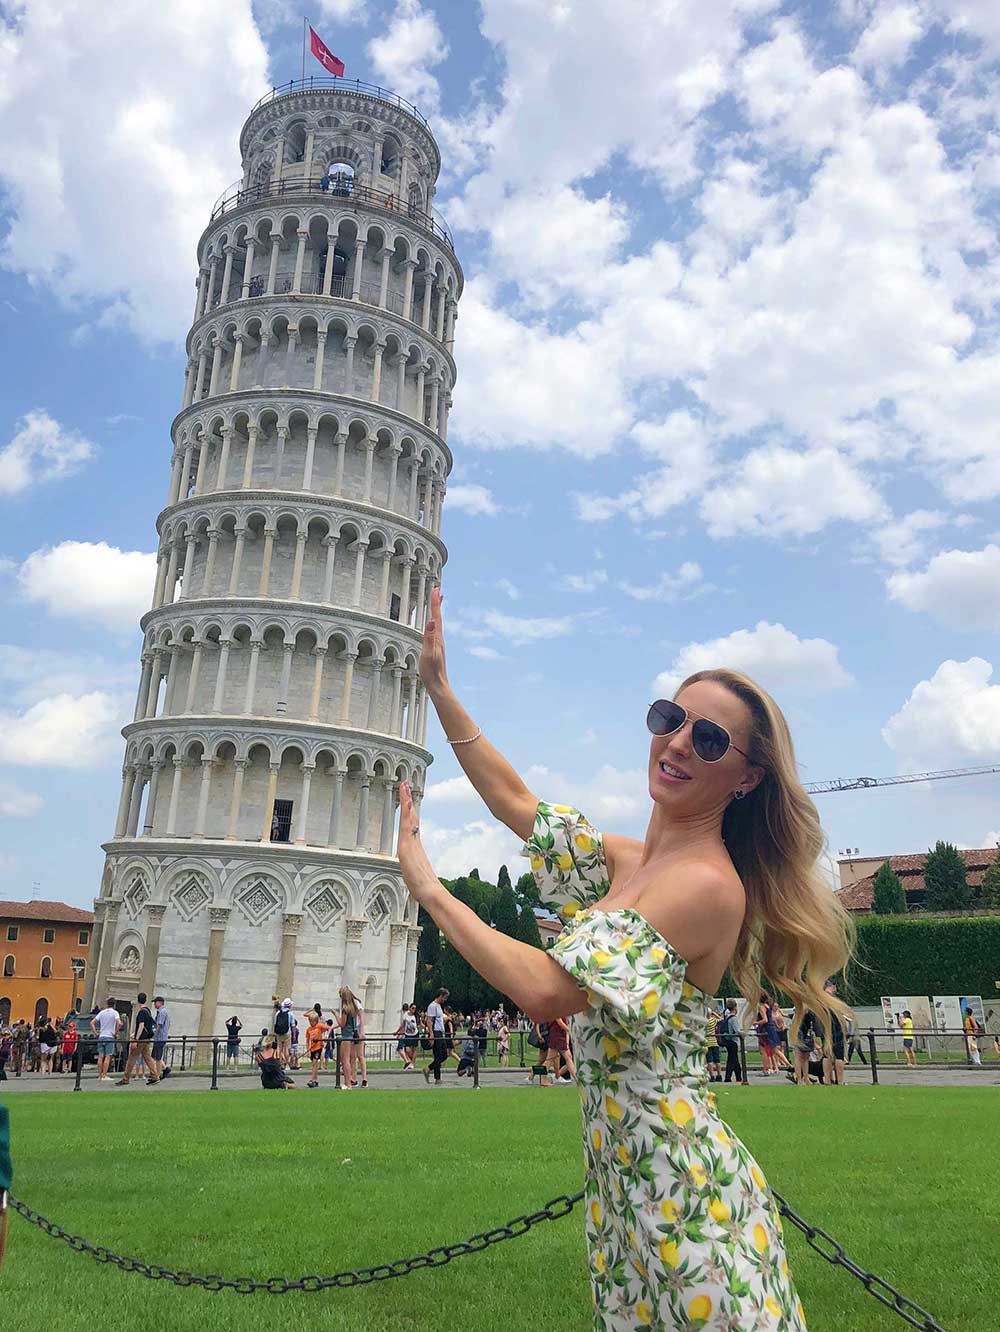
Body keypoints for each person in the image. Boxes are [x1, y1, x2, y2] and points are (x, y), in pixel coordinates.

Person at [396, 591, 854, 1329]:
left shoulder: (704, 886)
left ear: (746, 778)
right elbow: (516, 799)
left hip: (685, 1192)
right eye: (670, 720)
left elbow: (548, 990)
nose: (676, 743)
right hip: (625, 1190)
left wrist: (430, 891)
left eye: (708, 740)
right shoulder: (626, 862)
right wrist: (441, 689)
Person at [116, 993, 159, 1086]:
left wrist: (135, 1039)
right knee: (147, 1057)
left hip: (141, 1039)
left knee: (132, 1057)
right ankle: (155, 1076)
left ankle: (125, 1078)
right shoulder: (147, 1010)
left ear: (138, 1000)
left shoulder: (141, 1012)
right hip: (147, 1038)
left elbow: (141, 1025)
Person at [91, 999, 122, 1082]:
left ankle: (99, 1075)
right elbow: (119, 1023)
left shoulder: (102, 1012)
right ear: (114, 1004)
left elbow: (92, 1022)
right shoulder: (115, 1013)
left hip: (101, 1035)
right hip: (110, 1036)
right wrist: (115, 1032)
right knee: (108, 1056)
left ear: (107, 1004)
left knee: (101, 1056)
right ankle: (104, 1075)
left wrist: (96, 1033)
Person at [821, 981, 846, 1085]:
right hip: (836, 1028)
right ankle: (840, 1081)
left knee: (827, 1055)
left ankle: (827, 1079)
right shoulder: (833, 1000)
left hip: (825, 1028)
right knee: (839, 1056)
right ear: (832, 986)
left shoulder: (821, 998)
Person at [423, 987, 449, 1085]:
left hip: (440, 1032)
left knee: (443, 1055)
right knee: (438, 1055)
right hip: (436, 1032)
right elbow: (429, 1020)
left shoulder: (438, 1006)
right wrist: (431, 1033)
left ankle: (428, 1068)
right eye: (444, 997)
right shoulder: (432, 1006)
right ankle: (437, 1078)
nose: (445, 1000)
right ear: (440, 996)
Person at [338, 987, 362, 1089]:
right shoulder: (354, 1008)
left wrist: (335, 1015)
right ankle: (350, 1081)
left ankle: (348, 1083)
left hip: (346, 1036)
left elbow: (342, 1024)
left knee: (345, 1060)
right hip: (353, 1035)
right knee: (351, 1059)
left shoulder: (345, 1009)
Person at [718, 1000, 742, 1083]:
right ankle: (729, 1077)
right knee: (732, 1060)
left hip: (727, 1040)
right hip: (733, 1041)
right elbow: (737, 1030)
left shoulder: (727, 1017)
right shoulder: (734, 1018)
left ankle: (738, 1076)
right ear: (735, 1007)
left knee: (733, 1059)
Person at [306, 1007, 326, 1087]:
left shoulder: (319, 1026)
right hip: (312, 1048)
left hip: (318, 1047)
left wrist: (327, 1035)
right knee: (314, 1064)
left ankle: (313, 1079)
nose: (311, 1023)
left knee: (314, 1063)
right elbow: (307, 1040)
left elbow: (328, 1027)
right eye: (310, 1021)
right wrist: (308, 1050)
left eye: (313, 1021)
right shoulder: (309, 1029)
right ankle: (315, 1079)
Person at [152, 996, 171, 1081]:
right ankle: (165, 1068)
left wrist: (154, 1032)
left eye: (155, 1002)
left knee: (158, 1057)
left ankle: (158, 1075)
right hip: (160, 1037)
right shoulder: (163, 1011)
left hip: (160, 1037)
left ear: (159, 1003)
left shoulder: (162, 1012)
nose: (154, 1004)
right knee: (155, 1056)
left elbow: (159, 1024)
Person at [705, 1006, 724, 1083]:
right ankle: (719, 1075)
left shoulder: (704, 1021)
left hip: (707, 1042)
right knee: (717, 1061)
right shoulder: (713, 1020)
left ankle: (711, 1076)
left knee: (709, 1061)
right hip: (714, 1041)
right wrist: (715, 1014)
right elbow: (721, 1019)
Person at [273, 998, 295, 1066]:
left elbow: (275, 1024)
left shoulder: (278, 1013)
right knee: (286, 1049)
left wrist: (275, 1033)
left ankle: (279, 1063)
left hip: (279, 1033)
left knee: (279, 1048)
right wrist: (294, 1035)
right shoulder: (290, 1014)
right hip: (287, 1033)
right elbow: (293, 1025)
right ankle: (287, 1064)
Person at [401, 1004, 419, 1069]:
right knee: (407, 1049)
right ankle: (411, 1061)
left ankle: (413, 1063)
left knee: (414, 1048)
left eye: (415, 1008)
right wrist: (399, 1033)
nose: (414, 1010)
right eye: (413, 1008)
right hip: (407, 1034)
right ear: (409, 1008)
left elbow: (419, 1024)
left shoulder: (416, 1016)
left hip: (415, 1034)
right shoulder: (405, 1015)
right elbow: (403, 1025)